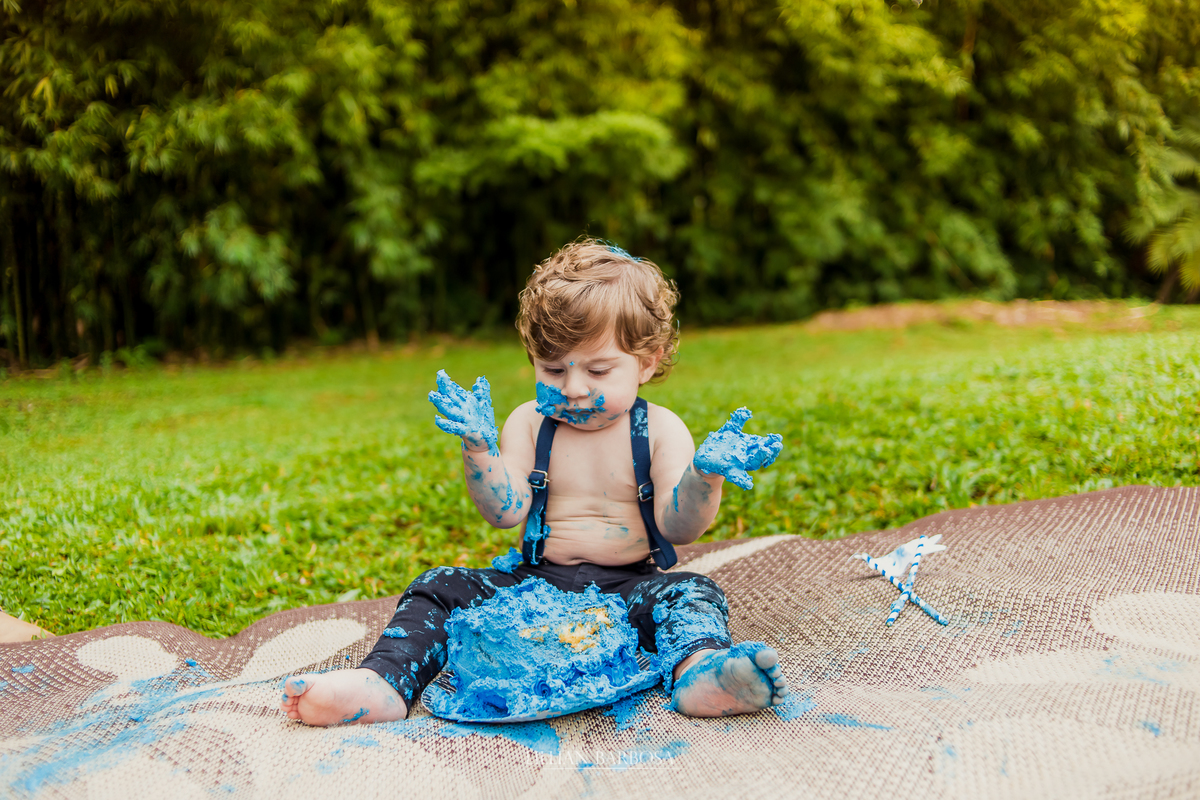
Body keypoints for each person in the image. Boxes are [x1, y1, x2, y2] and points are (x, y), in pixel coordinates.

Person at [280, 240, 788, 725]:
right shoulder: (529, 423)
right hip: (533, 585)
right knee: (437, 587)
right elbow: (506, 512)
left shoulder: (659, 429)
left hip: (629, 591)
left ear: (647, 361)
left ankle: (701, 674)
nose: (573, 387)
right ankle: (384, 683)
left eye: (598, 369)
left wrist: (704, 475)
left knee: (695, 592)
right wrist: (479, 448)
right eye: (552, 369)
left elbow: (678, 529)